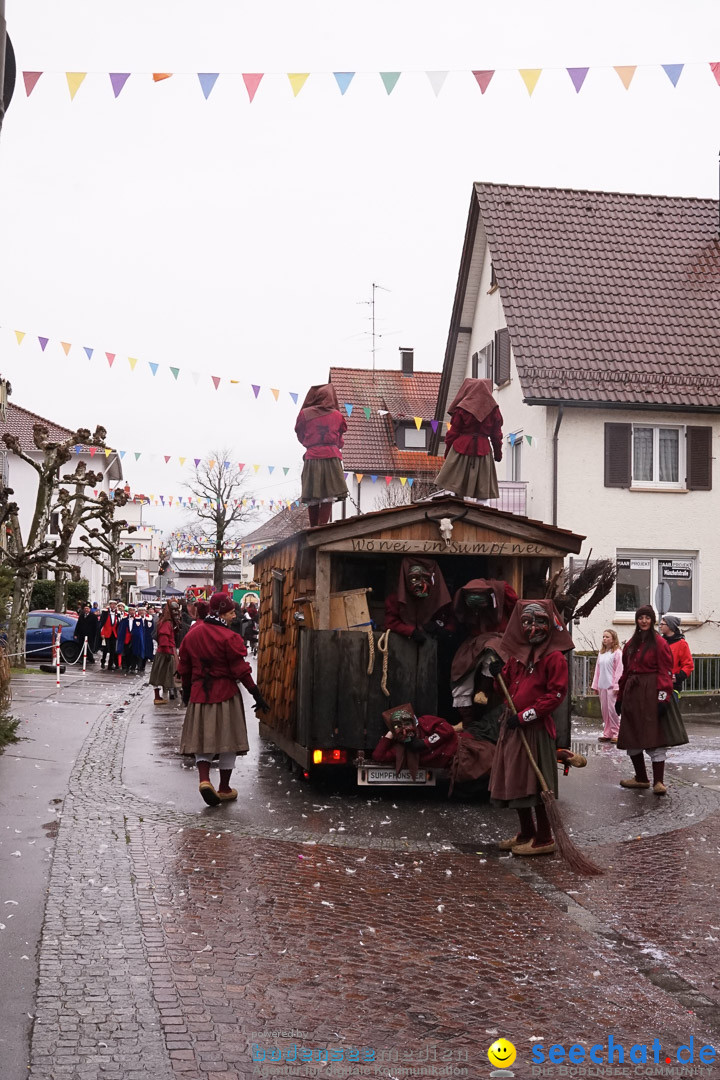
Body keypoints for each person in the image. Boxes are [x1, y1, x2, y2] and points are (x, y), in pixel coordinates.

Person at [490, 599, 574, 857]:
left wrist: (526, 716)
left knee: (537, 785)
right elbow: (504, 687)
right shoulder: (518, 656)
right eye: (527, 622)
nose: (533, 628)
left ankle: (545, 837)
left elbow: (555, 695)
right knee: (516, 782)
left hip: (535, 731)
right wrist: (497, 675)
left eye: (539, 621)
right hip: (513, 729)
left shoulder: (554, 658)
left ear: (551, 625)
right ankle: (526, 832)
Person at [178, 592, 270, 806]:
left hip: (200, 694)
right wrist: (255, 692)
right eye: (230, 613)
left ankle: (204, 780)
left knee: (203, 739)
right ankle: (224, 787)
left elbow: (184, 667)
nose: (233, 617)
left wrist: (185, 691)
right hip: (226, 693)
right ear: (221, 612)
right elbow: (240, 670)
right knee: (228, 740)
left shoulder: (193, 634)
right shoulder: (229, 638)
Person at [616, 606, 688, 796]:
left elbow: (665, 672)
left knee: (654, 736)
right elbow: (625, 672)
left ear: (653, 620)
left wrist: (663, 697)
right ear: (637, 620)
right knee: (632, 736)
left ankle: (658, 782)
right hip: (633, 695)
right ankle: (641, 778)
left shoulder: (659, 643)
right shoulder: (631, 644)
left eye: (648, 618)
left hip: (652, 693)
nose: (644, 621)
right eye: (641, 618)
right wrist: (620, 697)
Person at [450, 578, 517, 737]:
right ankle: (467, 722)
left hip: (498, 638)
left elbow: (517, 610)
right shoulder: (464, 603)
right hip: (475, 640)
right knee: (460, 671)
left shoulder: (502, 592)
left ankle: (483, 690)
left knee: (492, 651)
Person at [434, 378, 503, 501]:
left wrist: (448, 453)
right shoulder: (494, 410)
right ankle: (480, 514)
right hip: (483, 452)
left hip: (461, 450)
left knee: (455, 487)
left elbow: (453, 433)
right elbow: (496, 436)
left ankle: (455, 511)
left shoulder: (461, 409)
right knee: (483, 491)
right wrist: (498, 454)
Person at [295, 383, 348, 526]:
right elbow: (340, 437)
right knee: (328, 494)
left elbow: (299, 433)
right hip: (332, 458)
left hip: (312, 457)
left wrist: (310, 444)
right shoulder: (337, 415)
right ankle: (322, 527)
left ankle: (313, 528)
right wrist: (334, 446)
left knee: (312, 494)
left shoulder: (304, 414)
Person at [371, 703, 457, 778]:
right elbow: (378, 756)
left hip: (461, 752)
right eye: (398, 727)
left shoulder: (424, 722)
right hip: (452, 765)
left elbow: (448, 729)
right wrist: (390, 734)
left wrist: (426, 743)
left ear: (414, 722)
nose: (405, 731)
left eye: (407, 724)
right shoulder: (401, 749)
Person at [384, 557, 454, 642]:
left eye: (425, 578)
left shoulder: (439, 597)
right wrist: (410, 631)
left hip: (432, 645)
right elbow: (390, 622)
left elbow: (451, 620)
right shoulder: (396, 598)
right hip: (404, 644)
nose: (421, 584)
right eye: (414, 579)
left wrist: (441, 628)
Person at [591, 630, 623, 743]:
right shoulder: (602, 653)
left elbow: (619, 670)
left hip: (611, 686)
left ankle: (617, 732)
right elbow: (597, 670)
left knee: (613, 710)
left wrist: (616, 686)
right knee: (604, 710)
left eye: (607, 637)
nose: (604, 639)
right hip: (602, 685)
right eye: (603, 636)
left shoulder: (618, 653)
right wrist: (595, 685)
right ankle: (607, 732)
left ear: (613, 639)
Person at [149, 601, 180, 704]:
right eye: (174, 611)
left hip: (165, 652)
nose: (176, 613)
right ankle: (157, 697)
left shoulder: (167, 621)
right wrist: (167, 652)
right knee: (161, 675)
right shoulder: (166, 622)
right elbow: (163, 638)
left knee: (162, 675)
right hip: (165, 653)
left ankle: (158, 697)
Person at [659, 615, 694, 693]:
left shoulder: (682, 644)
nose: (660, 626)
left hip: (673, 686)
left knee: (671, 705)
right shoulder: (660, 642)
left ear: (670, 626)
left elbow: (689, 665)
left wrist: (677, 677)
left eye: (662, 624)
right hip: (659, 683)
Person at [117, 606, 146, 674]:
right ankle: (127, 666)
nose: (132, 612)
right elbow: (121, 629)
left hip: (135, 639)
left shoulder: (138, 619)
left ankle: (133, 667)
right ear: (128, 611)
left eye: (133, 610)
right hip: (126, 639)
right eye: (130, 610)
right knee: (126, 653)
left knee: (134, 654)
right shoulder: (124, 619)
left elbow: (141, 630)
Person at [99, 600, 120, 670]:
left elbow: (118, 624)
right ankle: (103, 662)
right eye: (112, 604)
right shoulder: (105, 612)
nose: (113, 606)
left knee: (113, 650)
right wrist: (102, 633)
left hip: (114, 633)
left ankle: (110, 665)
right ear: (110, 605)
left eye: (114, 604)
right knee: (105, 649)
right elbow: (101, 624)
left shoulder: (117, 613)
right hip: (106, 633)